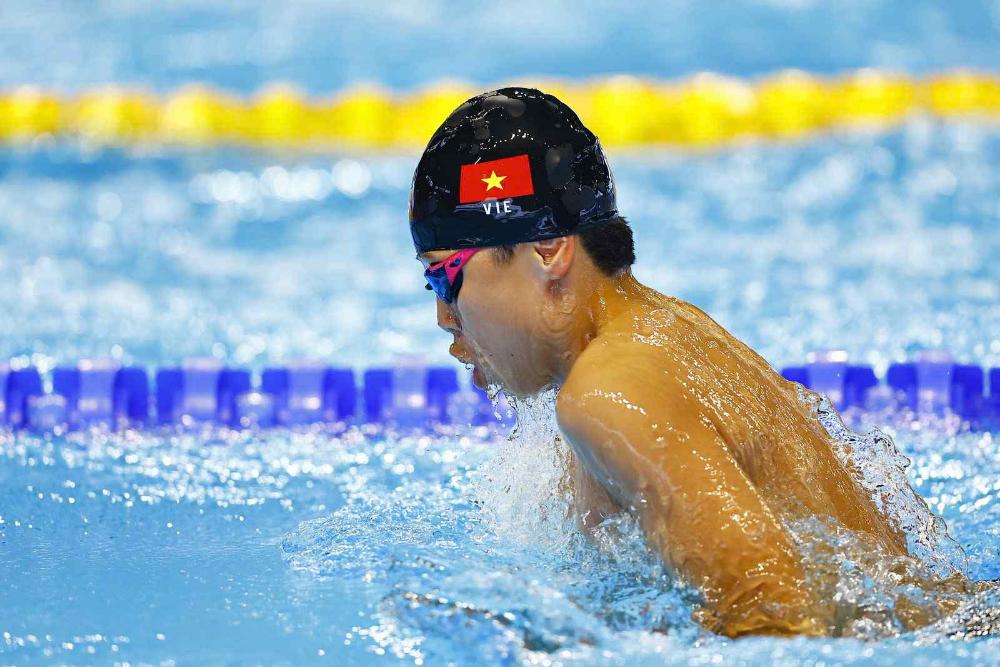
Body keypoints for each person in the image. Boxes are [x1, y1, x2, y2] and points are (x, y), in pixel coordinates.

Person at [408, 87, 969, 637]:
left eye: (444, 276)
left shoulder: (608, 394)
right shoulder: (669, 331)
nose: (442, 315)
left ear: (547, 249)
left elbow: (777, 614)